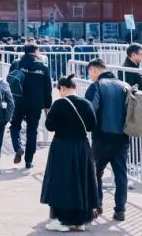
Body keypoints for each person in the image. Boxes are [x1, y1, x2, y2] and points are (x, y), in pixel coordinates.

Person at [41, 75, 99, 232]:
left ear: (62, 88)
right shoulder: (86, 103)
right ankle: (79, 221)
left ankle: (63, 221)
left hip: (62, 147)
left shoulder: (59, 104)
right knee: (81, 181)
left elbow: (49, 126)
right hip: (81, 147)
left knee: (63, 181)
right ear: (75, 87)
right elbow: (91, 126)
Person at [84, 59, 129, 222]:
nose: (89, 76)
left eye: (89, 72)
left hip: (101, 137)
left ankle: (97, 205)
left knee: (95, 172)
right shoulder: (124, 85)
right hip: (122, 137)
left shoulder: (96, 86)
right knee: (121, 174)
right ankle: (120, 210)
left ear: (95, 70)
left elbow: (90, 109)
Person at [9, 44, 52, 169]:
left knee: (15, 126)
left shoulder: (17, 64)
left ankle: (18, 147)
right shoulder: (42, 67)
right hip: (36, 103)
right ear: (35, 51)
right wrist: (47, 105)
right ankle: (29, 160)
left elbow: (10, 80)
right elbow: (48, 88)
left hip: (19, 101)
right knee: (32, 130)